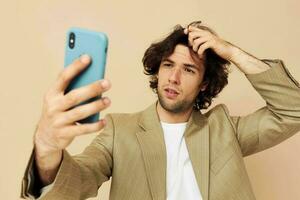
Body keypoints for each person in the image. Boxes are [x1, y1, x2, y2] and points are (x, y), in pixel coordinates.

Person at [21, 21, 300, 200]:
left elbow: (294, 109)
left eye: (188, 69)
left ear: (204, 84)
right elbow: (77, 182)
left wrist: (231, 52)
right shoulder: (120, 131)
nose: (174, 78)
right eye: (168, 65)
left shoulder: (225, 129)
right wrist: (46, 149)